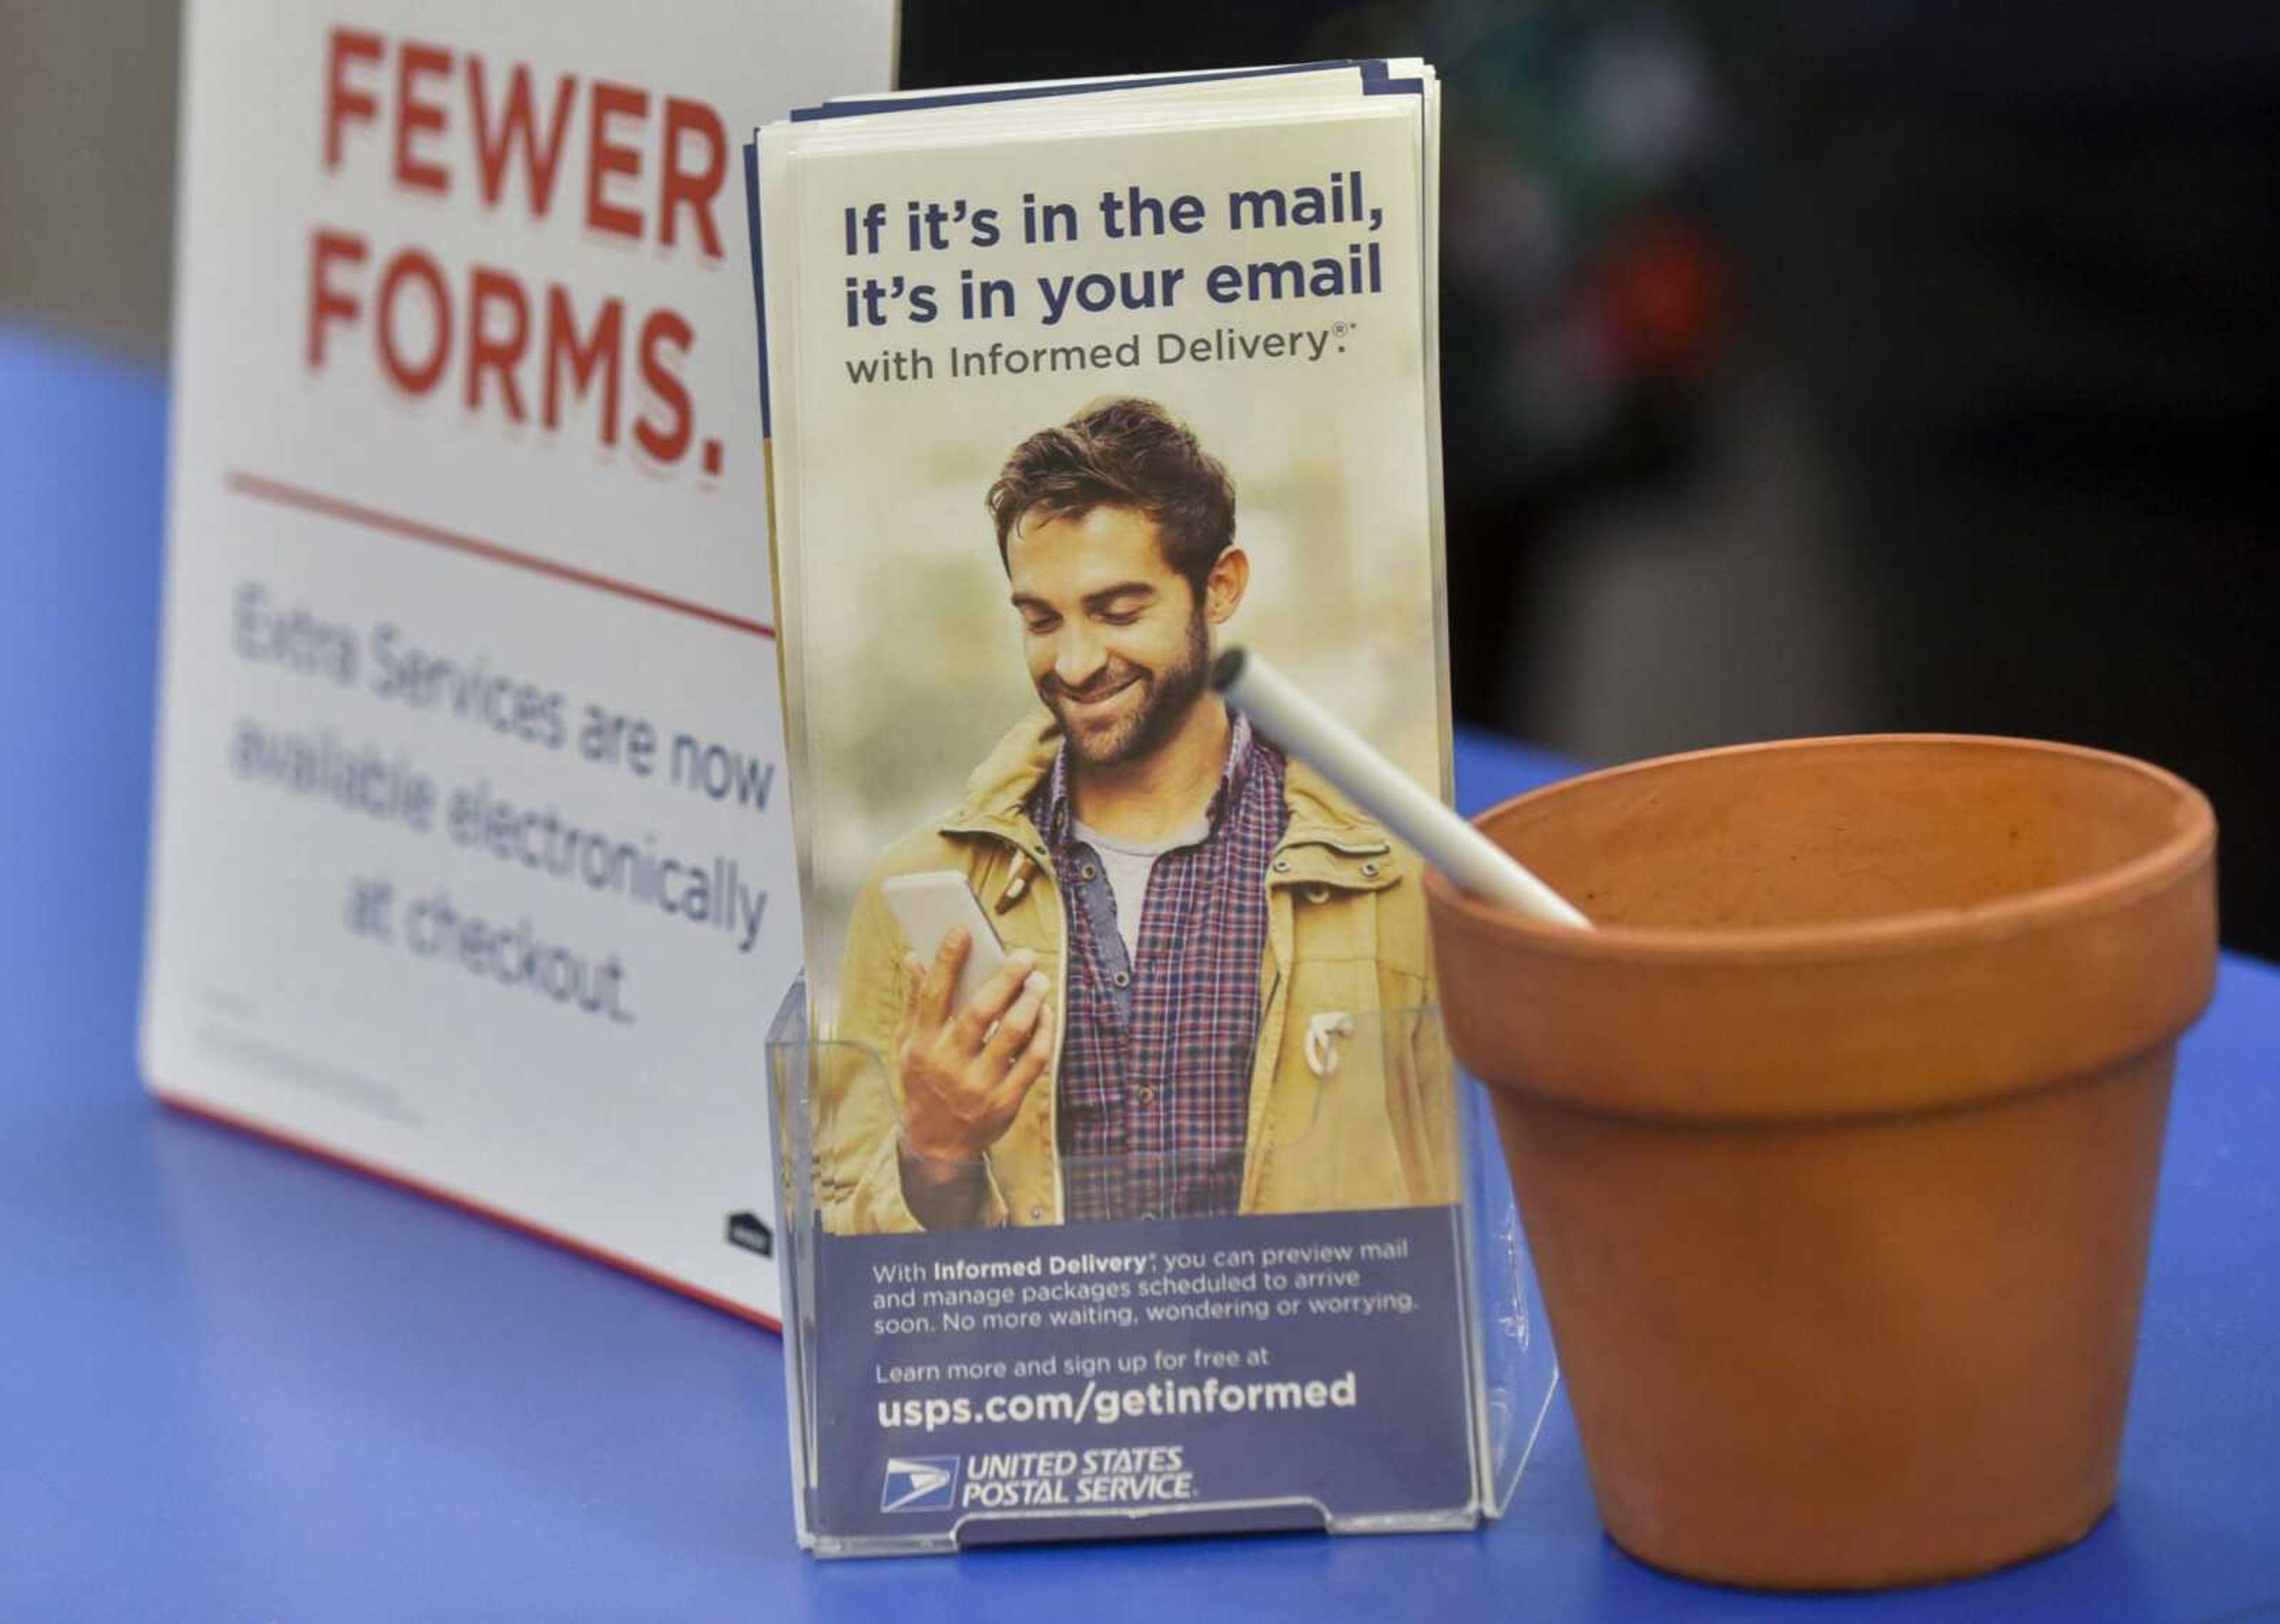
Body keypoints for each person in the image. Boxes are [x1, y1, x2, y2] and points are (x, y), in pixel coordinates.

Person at [818, 397, 1452, 1234]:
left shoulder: (1392, 888)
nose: (1074, 663)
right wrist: (934, 1153)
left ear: (1219, 588)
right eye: (1041, 621)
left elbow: (1454, 1223)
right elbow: (846, 1260)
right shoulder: (913, 892)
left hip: (1310, 1368)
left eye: (1119, 611)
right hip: (1042, 1365)